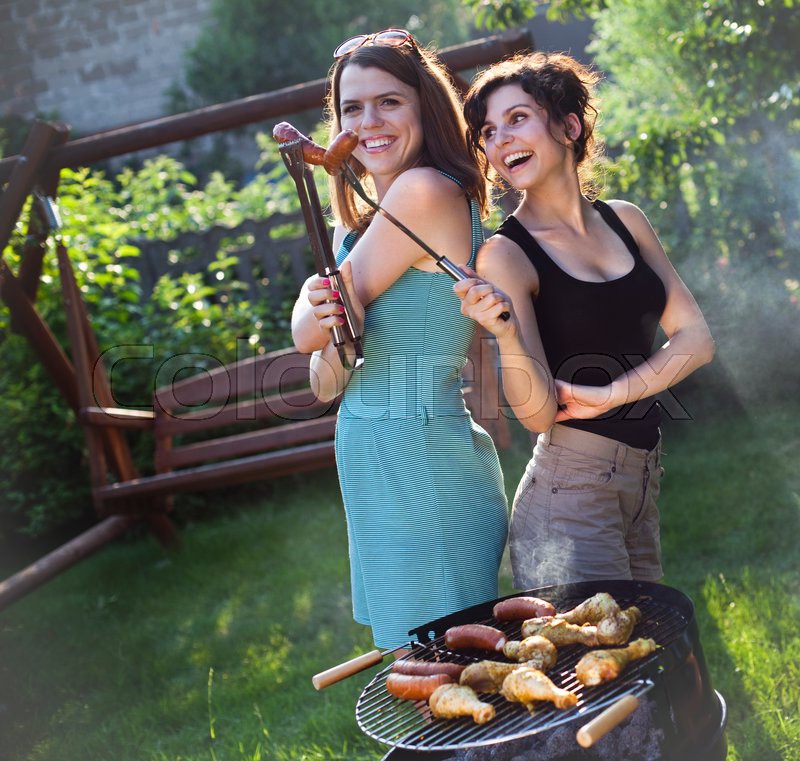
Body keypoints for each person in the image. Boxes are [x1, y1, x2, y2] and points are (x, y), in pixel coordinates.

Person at [455, 52, 715, 589]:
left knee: (653, 658)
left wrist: (612, 393)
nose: (500, 139)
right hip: (568, 497)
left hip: (640, 481)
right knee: (602, 668)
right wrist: (504, 332)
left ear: (569, 126)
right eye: (488, 130)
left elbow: (697, 339)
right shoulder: (507, 255)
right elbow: (536, 415)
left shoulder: (626, 222)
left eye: (518, 118)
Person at [291, 29, 511, 649]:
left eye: (389, 102)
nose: (369, 122)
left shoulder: (424, 192)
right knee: (413, 666)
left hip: (425, 460)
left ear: (424, 106)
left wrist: (319, 310)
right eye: (352, 108)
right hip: (371, 460)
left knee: (449, 663)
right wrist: (328, 326)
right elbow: (325, 377)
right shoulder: (357, 226)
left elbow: (307, 328)